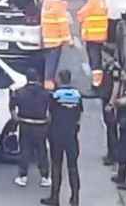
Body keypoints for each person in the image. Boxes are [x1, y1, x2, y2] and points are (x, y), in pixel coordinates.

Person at [41, 70, 84, 206]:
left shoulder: (55, 95)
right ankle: (75, 198)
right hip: (71, 136)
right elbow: (79, 115)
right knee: (73, 167)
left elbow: (49, 115)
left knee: (56, 165)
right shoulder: (77, 95)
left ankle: (55, 198)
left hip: (57, 134)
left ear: (59, 79)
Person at [10, 68, 51, 188]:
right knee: (42, 151)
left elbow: (12, 107)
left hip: (25, 124)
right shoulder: (45, 93)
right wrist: (48, 120)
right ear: (37, 78)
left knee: (25, 150)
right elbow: (51, 109)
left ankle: (23, 177)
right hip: (41, 125)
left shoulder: (19, 92)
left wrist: (16, 118)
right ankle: (45, 177)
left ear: (27, 78)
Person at [40, 0, 72, 89]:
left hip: (46, 38)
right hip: (55, 40)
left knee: (47, 62)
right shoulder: (59, 5)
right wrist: (68, 40)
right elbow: (63, 24)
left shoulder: (46, 4)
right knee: (52, 63)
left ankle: (47, 82)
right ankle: (49, 85)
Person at [76, 0, 109, 73]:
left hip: (92, 34)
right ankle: (99, 73)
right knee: (98, 55)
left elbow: (80, 15)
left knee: (94, 57)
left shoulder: (93, 1)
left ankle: (97, 77)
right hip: (101, 34)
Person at [100, 59, 122, 166]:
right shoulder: (108, 65)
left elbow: (116, 85)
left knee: (111, 129)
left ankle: (113, 155)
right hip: (106, 99)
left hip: (110, 101)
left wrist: (111, 103)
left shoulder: (115, 68)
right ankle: (111, 153)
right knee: (109, 128)